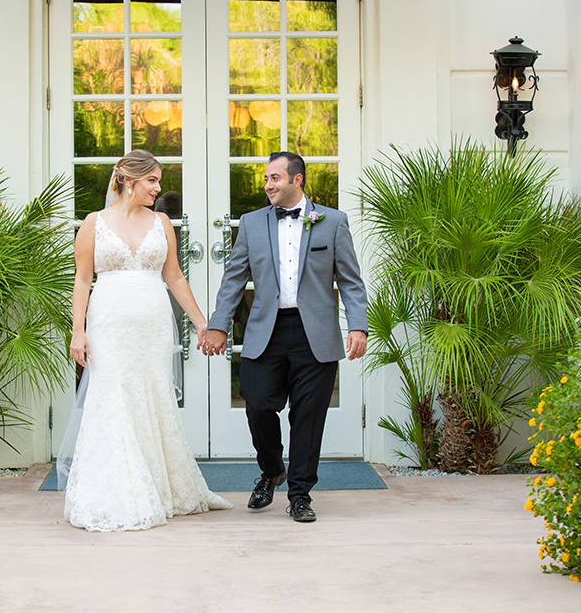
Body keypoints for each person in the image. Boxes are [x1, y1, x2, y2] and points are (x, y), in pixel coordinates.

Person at [62, 149, 231, 532]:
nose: (158, 188)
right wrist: (78, 330)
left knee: (152, 396)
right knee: (115, 397)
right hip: (109, 325)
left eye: (158, 180)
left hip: (153, 324)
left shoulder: (162, 223)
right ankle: (116, 490)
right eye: (151, 180)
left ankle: (160, 486)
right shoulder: (93, 223)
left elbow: (174, 277)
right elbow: (82, 279)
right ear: (127, 180)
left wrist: (200, 322)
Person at [199, 151, 368, 523]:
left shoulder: (333, 222)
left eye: (275, 178)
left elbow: (351, 282)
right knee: (258, 403)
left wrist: (358, 325)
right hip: (266, 330)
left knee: (308, 416)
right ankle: (272, 468)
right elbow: (233, 279)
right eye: (266, 179)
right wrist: (218, 324)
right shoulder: (251, 223)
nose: (268, 185)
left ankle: (300, 494)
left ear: (297, 180)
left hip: (315, 333)